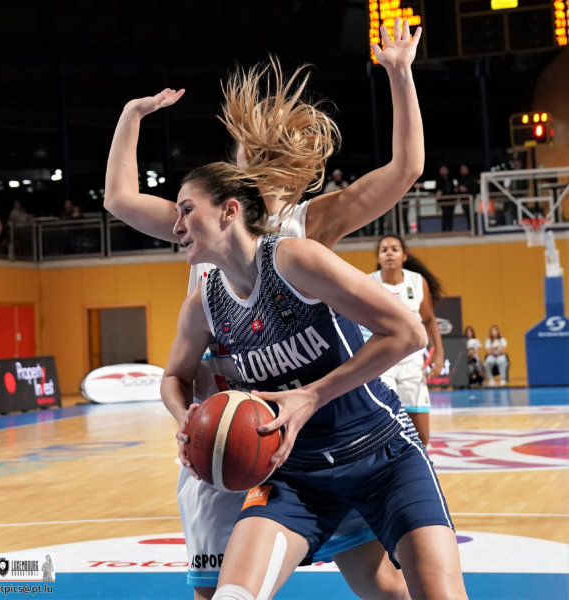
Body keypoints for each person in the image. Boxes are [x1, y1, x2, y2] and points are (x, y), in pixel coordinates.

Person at [105, 17, 424, 600]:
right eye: (245, 151)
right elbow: (120, 199)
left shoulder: (308, 223)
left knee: (378, 580)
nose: (249, 159)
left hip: (314, 424)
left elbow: (405, 169)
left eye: (259, 153)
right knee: (219, 588)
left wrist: (400, 75)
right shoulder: (201, 219)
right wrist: (131, 115)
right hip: (228, 421)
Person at [163, 163, 467, 600]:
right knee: (231, 595)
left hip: (381, 455)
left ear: (229, 211)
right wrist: (186, 420)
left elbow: (408, 332)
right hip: (294, 472)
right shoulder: (203, 303)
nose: (176, 226)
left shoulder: (294, 259)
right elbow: (174, 375)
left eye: (187, 210)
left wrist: (313, 395)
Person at [368, 234, 444, 446]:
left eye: (395, 249)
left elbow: (429, 320)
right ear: (378, 257)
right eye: (384, 250)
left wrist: (439, 352)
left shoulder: (417, 282)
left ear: (404, 256)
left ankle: (417, 464)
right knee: (385, 428)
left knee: (422, 436)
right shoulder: (368, 282)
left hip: (412, 362)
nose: (389, 253)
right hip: (382, 363)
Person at [455, 164, 478, 231]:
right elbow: (457, 188)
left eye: (464, 169)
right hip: (464, 200)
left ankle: (475, 230)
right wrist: (458, 189)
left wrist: (467, 189)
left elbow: (476, 188)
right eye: (461, 169)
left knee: (472, 215)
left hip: (471, 200)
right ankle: (470, 229)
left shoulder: (472, 177)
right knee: (467, 216)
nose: (463, 170)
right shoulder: (459, 179)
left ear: (467, 169)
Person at [436, 164, 455, 232]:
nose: (443, 171)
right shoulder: (439, 180)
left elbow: (453, 189)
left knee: (450, 215)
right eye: (442, 170)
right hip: (443, 200)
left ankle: (450, 229)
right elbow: (438, 190)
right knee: (445, 215)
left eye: (444, 169)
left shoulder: (451, 178)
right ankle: (444, 230)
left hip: (451, 200)